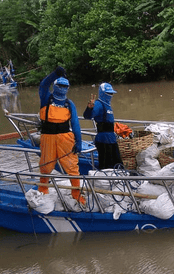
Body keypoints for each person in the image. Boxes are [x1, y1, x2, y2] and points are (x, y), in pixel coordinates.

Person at [38, 66, 85, 206]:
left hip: (66, 138)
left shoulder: (69, 104)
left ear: (68, 88)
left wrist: (79, 141)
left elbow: (75, 124)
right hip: (48, 137)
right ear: (55, 86)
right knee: (46, 165)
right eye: (60, 85)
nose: (63, 88)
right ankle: (43, 188)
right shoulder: (46, 97)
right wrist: (54, 74)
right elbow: (43, 84)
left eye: (65, 86)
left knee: (72, 167)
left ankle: (76, 193)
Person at [83, 83, 122, 170]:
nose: (110, 95)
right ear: (102, 93)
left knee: (117, 162)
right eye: (109, 93)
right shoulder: (98, 104)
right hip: (103, 139)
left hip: (111, 138)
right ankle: (106, 180)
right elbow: (87, 116)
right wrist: (89, 108)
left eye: (111, 93)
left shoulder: (107, 104)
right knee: (106, 165)